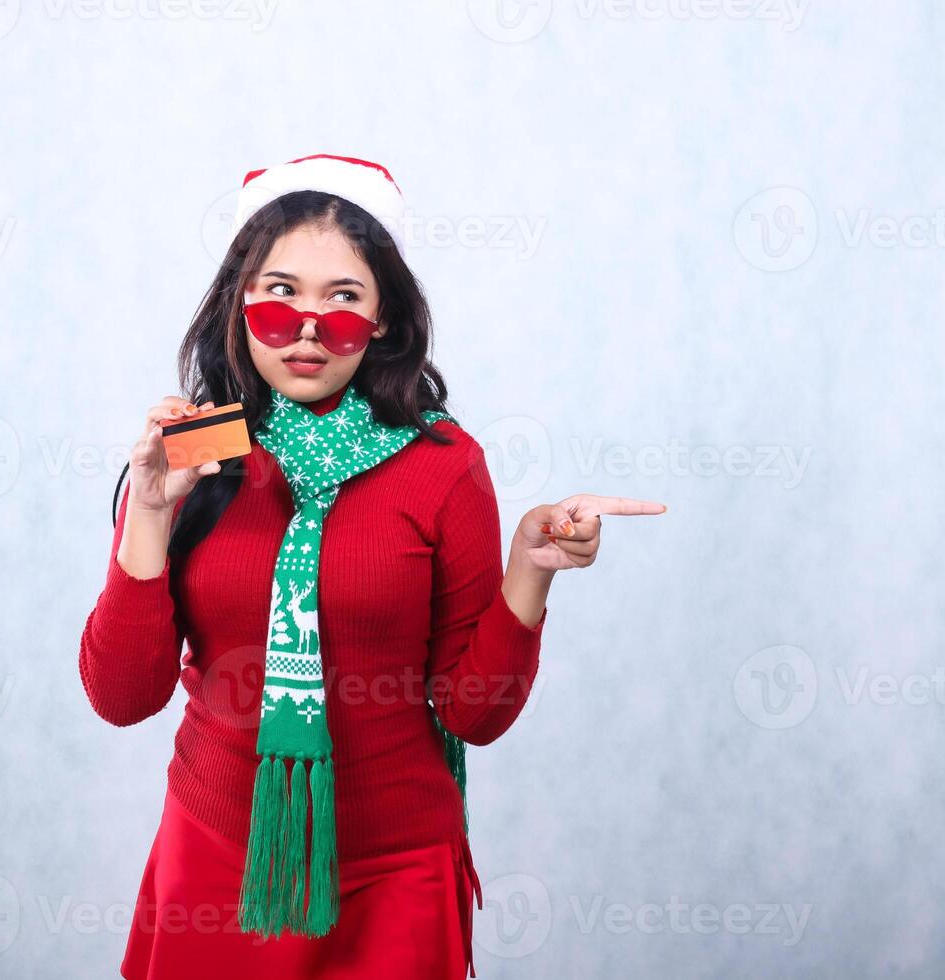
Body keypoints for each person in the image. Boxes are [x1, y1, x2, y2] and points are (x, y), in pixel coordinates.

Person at [78, 153, 666, 979]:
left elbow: (472, 714)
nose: (308, 326)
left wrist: (529, 575)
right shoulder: (197, 448)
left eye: (343, 299)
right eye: (280, 293)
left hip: (393, 873)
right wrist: (147, 505)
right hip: (218, 859)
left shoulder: (444, 465)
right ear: (239, 307)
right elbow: (122, 695)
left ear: (385, 318)